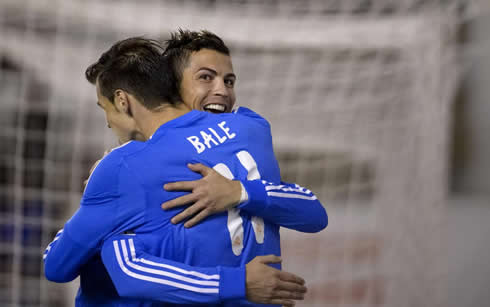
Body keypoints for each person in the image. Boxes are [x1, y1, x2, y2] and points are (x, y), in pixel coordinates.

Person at [43, 37, 326, 306]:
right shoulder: (251, 126)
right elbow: (315, 214)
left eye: (103, 108)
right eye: (206, 77)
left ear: (122, 100)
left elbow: (59, 266)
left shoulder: (125, 166)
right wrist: (240, 191)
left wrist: (98, 193)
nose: (107, 123)